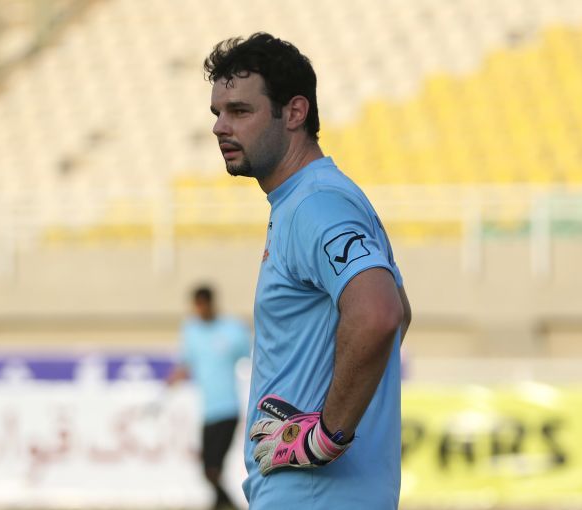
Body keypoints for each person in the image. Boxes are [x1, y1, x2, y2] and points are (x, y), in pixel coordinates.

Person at [204, 33, 412, 509]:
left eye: (239, 110)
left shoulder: (315, 204)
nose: (219, 126)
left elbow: (380, 314)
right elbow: (397, 310)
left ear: (295, 112)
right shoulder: (314, 197)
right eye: (217, 112)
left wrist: (324, 436)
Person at [167, 285, 251, 510]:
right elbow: (187, 362)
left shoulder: (232, 329)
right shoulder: (191, 331)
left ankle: (228, 504)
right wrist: (173, 379)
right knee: (210, 469)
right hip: (209, 411)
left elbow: (252, 356)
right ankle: (222, 504)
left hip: (229, 408)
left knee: (212, 468)